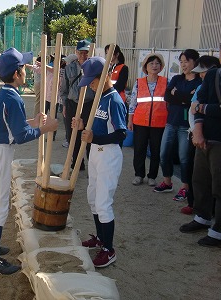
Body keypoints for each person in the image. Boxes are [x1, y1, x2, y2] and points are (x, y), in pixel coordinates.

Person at [0, 47, 58, 275]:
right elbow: (20, 136)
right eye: (23, 67)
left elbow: (13, 126)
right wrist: (44, 128)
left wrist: (33, 122)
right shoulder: (13, 97)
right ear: (16, 74)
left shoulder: (4, 93)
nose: (26, 71)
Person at [75, 56, 127, 268]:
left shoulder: (114, 99)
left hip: (109, 154)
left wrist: (94, 138)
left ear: (104, 77)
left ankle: (109, 249)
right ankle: (100, 238)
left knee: (104, 203)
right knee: (93, 198)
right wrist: (82, 127)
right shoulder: (99, 97)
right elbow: (96, 126)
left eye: (92, 81)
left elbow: (121, 133)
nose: (90, 86)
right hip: (96, 152)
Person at [179, 66, 221, 248]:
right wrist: (197, 129)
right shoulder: (214, 73)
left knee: (219, 186)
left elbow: (199, 105)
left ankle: (218, 230)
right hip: (204, 138)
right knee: (200, 180)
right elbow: (197, 103)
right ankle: (202, 217)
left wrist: (202, 108)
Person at [153, 49, 201, 202]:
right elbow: (167, 96)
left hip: (186, 126)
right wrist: (183, 97)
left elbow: (191, 100)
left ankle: (186, 188)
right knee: (164, 153)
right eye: (181, 61)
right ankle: (167, 182)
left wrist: (178, 95)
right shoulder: (176, 79)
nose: (183, 65)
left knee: (184, 158)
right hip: (171, 122)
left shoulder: (199, 82)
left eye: (186, 61)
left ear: (195, 62)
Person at [128, 53, 168, 187]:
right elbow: (133, 103)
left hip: (159, 122)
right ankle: (139, 175)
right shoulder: (139, 82)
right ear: (146, 66)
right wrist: (130, 120)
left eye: (157, 63)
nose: (154, 66)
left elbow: (169, 103)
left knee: (156, 150)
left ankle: (152, 176)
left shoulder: (165, 82)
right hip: (140, 122)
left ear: (161, 66)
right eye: (151, 63)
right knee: (139, 149)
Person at [60, 40, 95, 170]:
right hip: (72, 104)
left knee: (88, 133)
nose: (83, 56)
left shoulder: (94, 68)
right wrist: (64, 105)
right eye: (80, 53)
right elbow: (64, 89)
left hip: (89, 104)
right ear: (76, 53)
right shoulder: (69, 68)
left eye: (86, 53)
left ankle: (92, 164)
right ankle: (77, 163)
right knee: (72, 135)